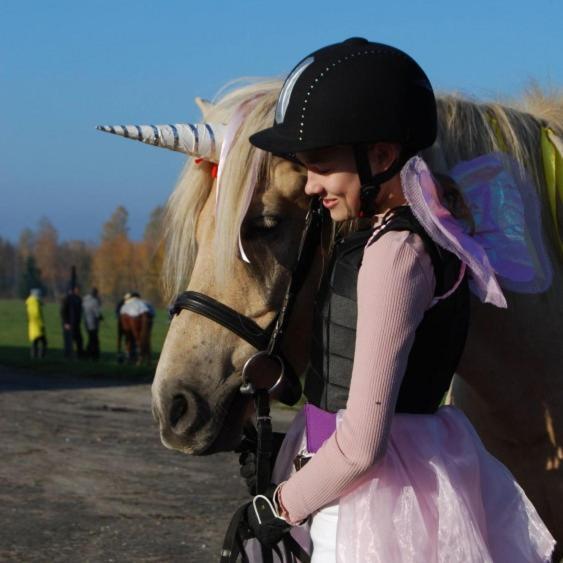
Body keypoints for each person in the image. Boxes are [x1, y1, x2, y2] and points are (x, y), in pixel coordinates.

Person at [244, 38, 555, 561]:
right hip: (365, 473)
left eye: (321, 165)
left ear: (382, 157)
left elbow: (363, 443)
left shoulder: (397, 252)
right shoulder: (416, 233)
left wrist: (277, 508)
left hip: (369, 502)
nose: (311, 185)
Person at [60, 285, 84, 358]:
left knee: (79, 340)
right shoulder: (67, 299)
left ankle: (80, 356)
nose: (78, 291)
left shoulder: (79, 299)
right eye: (77, 290)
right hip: (68, 324)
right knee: (68, 341)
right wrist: (66, 322)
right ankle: (68, 355)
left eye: (79, 290)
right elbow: (63, 311)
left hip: (76, 324)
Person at [25, 288, 47, 358]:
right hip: (37, 325)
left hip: (32, 325)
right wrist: (41, 325)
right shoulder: (35, 302)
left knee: (35, 341)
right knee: (43, 342)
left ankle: (34, 356)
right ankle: (40, 356)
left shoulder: (30, 302)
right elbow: (37, 314)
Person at [82, 287, 102, 360]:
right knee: (94, 340)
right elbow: (97, 314)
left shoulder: (84, 299)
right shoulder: (95, 301)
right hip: (93, 323)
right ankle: (92, 355)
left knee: (91, 339)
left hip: (86, 322)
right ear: (96, 293)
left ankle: (90, 355)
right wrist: (100, 317)